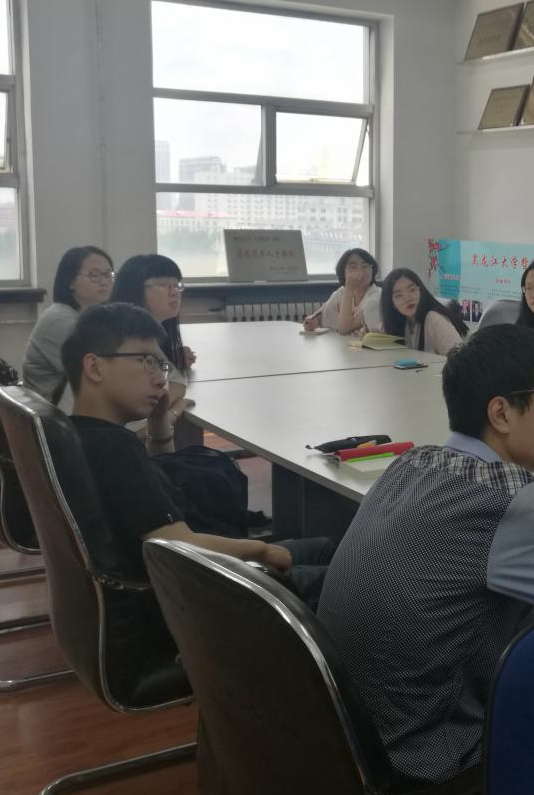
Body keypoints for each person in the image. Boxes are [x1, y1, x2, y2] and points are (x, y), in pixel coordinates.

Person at [318, 324, 534, 795]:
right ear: (502, 413)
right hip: (433, 766)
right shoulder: (502, 501)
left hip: (348, 747)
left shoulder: (410, 463)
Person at [63, 302, 334, 602]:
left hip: (184, 578)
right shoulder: (116, 448)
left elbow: (156, 475)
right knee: (356, 576)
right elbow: (177, 543)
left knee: (329, 548)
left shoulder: (80, 435)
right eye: (145, 361)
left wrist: (158, 420)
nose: (159, 379)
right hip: (204, 593)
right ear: (95, 367)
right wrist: (261, 549)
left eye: (161, 365)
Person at [21, 246, 113, 403]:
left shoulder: (85, 316)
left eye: (108, 275)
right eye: (95, 275)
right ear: (70, 281)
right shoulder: (61, 321)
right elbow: (97, 374)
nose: (104, 282)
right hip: (52, 412)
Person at [110, 254, 194, 420]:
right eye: (163, 285)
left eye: (176, 285)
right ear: (134, 289)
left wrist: (174, 355)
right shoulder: (128, 340)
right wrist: (176, 410)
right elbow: (169, 392)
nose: (175, 292)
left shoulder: (148, 335)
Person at [379, 267, 468, 356]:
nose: (407, 298)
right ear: (392, 303)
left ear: (421, 291)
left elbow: (460, 358)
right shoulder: (401, 321)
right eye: (399, 295)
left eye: (412, 290)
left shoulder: (434, 318)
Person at [303, 247, 384, 335]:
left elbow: (344, 329)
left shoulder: (376, 297)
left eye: (365, 266)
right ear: (343, 272)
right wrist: (313, 321)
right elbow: (323, 313)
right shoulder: (341, 292)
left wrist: (349, 288)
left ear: (372, 270)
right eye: (353, 267)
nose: (360, 271)